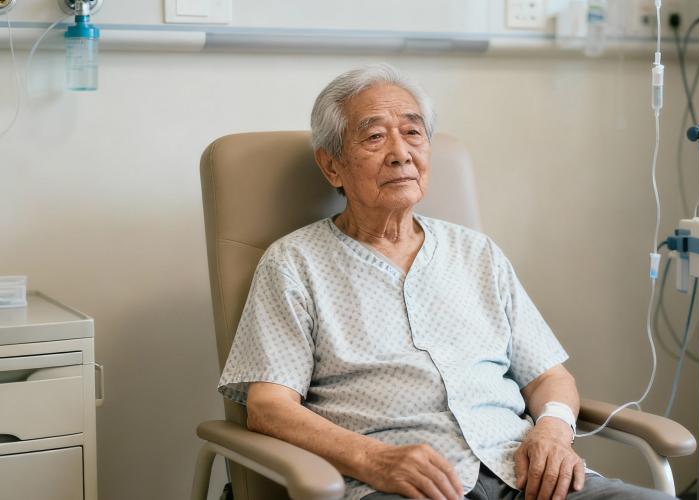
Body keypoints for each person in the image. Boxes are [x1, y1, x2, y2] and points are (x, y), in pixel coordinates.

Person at [218, 63, 673, 500]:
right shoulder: (294, 264)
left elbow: (549, 376)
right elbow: (269, 408)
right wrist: (374, 459)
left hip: (525, 475)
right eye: (375, 136)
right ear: (332, 166)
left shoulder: (478, 253)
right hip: (395, 485)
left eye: (414, 132)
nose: (401, 152)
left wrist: (553, 431)